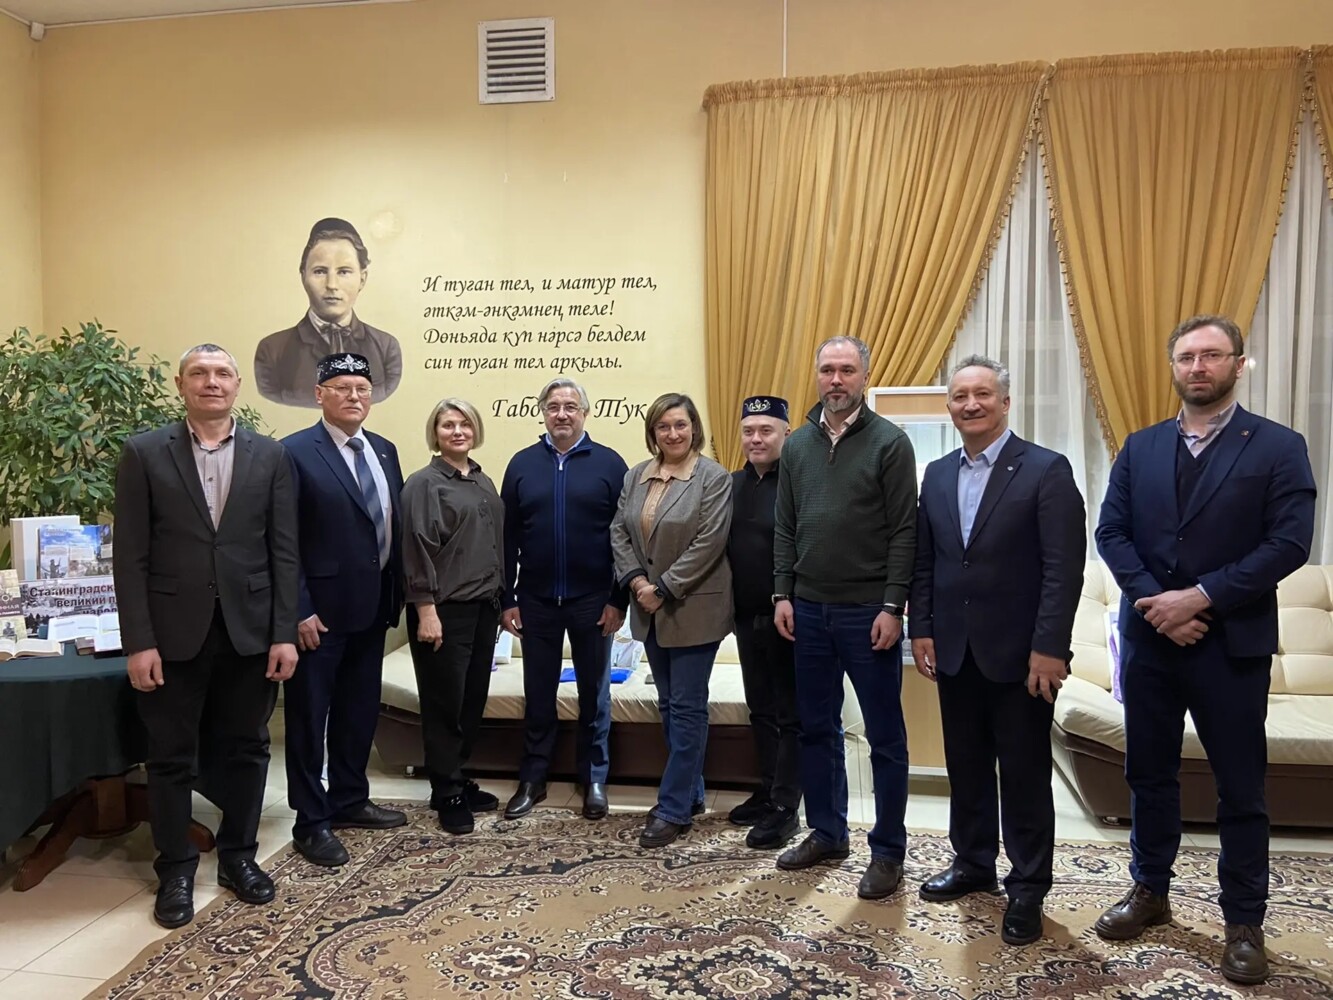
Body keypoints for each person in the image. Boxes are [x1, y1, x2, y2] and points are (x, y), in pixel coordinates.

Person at [1093, 315, 1316, 985]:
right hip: (1150, 643)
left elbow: (1288, 544)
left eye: (1211, 355)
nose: (1198, 366)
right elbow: (1111, 534)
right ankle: (1149, 890)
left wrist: (1199, 598)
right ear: (1173, 366)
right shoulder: (1140, 447)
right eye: (1186, 356)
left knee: (1239, 789)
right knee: (1148, 776)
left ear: (1237, 365)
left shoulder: (1278, 446)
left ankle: (1243, 921)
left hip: (1231, 646)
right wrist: (1156, 605)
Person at [113, 344, 299, 929]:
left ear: (237, 386)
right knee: (169, 756)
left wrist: (284, 633)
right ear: (181, 384)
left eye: (222, 374)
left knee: (248, 749)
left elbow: (284, 551)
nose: (211, 382)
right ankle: (175, 869)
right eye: (199, 373)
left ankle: (239, 857)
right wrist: (139, 641)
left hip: (250, 631)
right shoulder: (144, 452)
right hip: (171, 635)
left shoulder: (270, 455)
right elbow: (130, 556)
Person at [909, 355, 1085, 945]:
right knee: (966, 766)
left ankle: (1028, 886)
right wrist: (922, 627)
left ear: (1005, 403)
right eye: (960, 396)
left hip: (1022, 658)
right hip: (954, 651)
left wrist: (1050, 648)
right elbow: (928, 562)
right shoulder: (936, 474)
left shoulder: (1046, 469)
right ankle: (972, 863)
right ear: (949, 406)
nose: (971, 404)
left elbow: (1063, 569)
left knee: (1025, 774)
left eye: (982, 394)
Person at [772, 335, 916, 900]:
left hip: (867, 613)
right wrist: (783, 593)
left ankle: (888, 851)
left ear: (864, 376)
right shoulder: (797, 445)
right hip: (807, 610)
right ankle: (828, 833)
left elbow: (904, 530)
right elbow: (786, 525)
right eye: (828, 369)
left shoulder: (890, 443)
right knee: (817, 728)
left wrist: (892, 605)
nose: (836, 380)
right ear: (817, 376)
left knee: (884, 736)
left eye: (847, 370)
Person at [281, 353, 407, 868]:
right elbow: (282, 539)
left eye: (362, 388)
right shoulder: (294, 452)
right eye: (342, 387)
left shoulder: (384, 449)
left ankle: (350, 799)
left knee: (358, 710)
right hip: (319, 616)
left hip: (372, 608)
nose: (354, 396)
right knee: (309, 719)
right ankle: (311, 821)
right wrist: (298, 608)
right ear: (319, 394)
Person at [499, 378, 629, 821]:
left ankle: (593, 778)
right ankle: (533, 778)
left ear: (584, 413)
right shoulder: (522, 464)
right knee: (538, 693)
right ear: (543, 412)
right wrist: (508, 598)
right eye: (553, 406)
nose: (562, 414)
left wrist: (618, 599)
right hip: (535, 600)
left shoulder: (610, 464)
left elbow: (624, 538)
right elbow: (507, 537)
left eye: (571, 406)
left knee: (595, 693)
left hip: (593, 599)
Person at [611, 393, 734, 848]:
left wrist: (661, 587)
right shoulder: (636, 476)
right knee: (668, 705)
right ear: (653, 433)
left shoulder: (713, 478)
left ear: (694, 428)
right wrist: (637, 582)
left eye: (680, 425)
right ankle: (692, 792)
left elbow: (710, 542)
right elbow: (619, 532)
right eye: (663, 426)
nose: (673, 433)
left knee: (686, 707)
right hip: (649, 610)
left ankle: (673, 807)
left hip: (693, 608)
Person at [400, 398, 504, 835]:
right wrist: (425, 610)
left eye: (465, 424)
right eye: (448, 424)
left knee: (469, 702)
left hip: (483, 608)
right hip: (443, 611)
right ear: (436, 432)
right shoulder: (423, 484)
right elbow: (414, 549)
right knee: (444, 704)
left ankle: (456, 778)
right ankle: (447, 793)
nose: (457, 431)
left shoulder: (482, 480)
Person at [727, 394, 801, 850]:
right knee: (760, 709)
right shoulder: (731, 484)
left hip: (788, 617)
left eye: (766, 430)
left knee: (790, 714)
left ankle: (788, 806)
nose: (756, 439)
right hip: (744, 616)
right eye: (749, 431)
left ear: (785, 434)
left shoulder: (798, 481)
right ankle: (768, 790)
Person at [254, 217, 403, 407]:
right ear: (303, 276)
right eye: (320, 271)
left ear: (362, 278)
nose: (332, 285)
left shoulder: (386, 349)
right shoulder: (272, 352)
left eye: (344, 272)